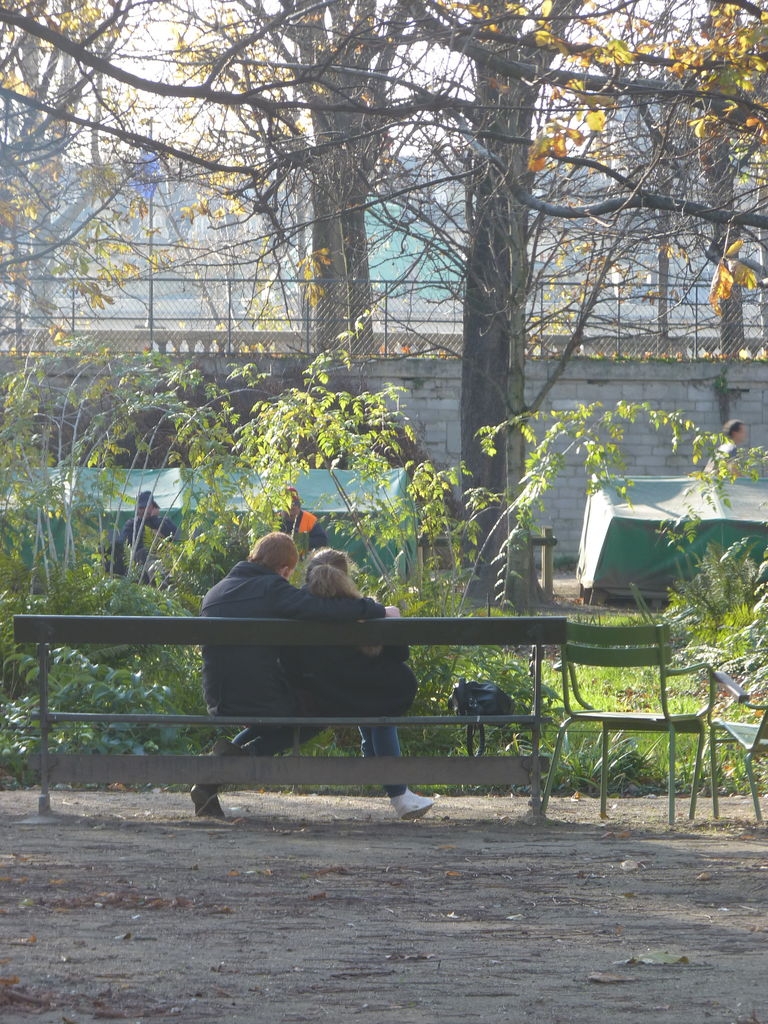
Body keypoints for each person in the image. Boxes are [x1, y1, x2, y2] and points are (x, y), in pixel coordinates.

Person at [194, 531, 399, 818]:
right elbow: (323, 609)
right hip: (260, 698)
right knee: (322, 712)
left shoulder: (217, 590)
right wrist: (377, 609)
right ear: (286, 569)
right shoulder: (272, 589)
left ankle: (210, 779)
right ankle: (240, 760)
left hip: (220, 698)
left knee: (278, 715)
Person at [282, 548, 434, 820]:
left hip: (315, 699)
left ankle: (397, 790)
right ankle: (398, 793)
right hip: (355, 700)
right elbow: (400, 655)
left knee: (372, 699)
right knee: (379, 702)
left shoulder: (296, 607)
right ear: (345, 577)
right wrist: (387, 614)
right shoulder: (362, 610)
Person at [121, 490, 178, 583]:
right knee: (147, 556)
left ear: (152, 506)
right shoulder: (131, 524)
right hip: (140, 560)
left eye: (146, 507)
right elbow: (126, 542)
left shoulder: (161, 521)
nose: (143, 510)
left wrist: (154, 518)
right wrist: (152, 533)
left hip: (162, 558)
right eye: (141, 507)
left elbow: (173, 534)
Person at [278, 486, 328, 551]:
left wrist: (302, 542)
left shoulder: (309, 519)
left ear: (299, 507)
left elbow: (323, 540)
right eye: (287, 509)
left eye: (293, 508)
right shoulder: (274, 520)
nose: (291, 513)